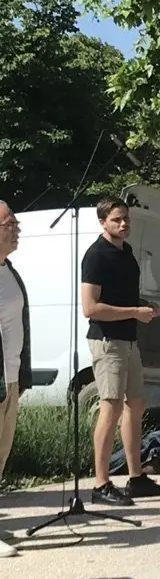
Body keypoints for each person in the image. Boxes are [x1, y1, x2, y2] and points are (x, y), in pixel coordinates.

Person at [80, 196, 160, 506]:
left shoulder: (126, 251)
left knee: (137, 404)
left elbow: (127, 294)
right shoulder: (96, 255)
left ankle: (135, 477)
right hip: (108, 341)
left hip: (129, 339)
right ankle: (101, 483)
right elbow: (90, 308)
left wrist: (146, 306)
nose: (123, 224)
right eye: (117, 220)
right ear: (103, 222)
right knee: (111, 407)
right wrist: (135, 312)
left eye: (126, 219)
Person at [0, 200, 31, 558]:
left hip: (9, 378)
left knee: (1, 454)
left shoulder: (9, 270)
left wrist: (19, 376)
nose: (17, 228)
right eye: (10, 224)